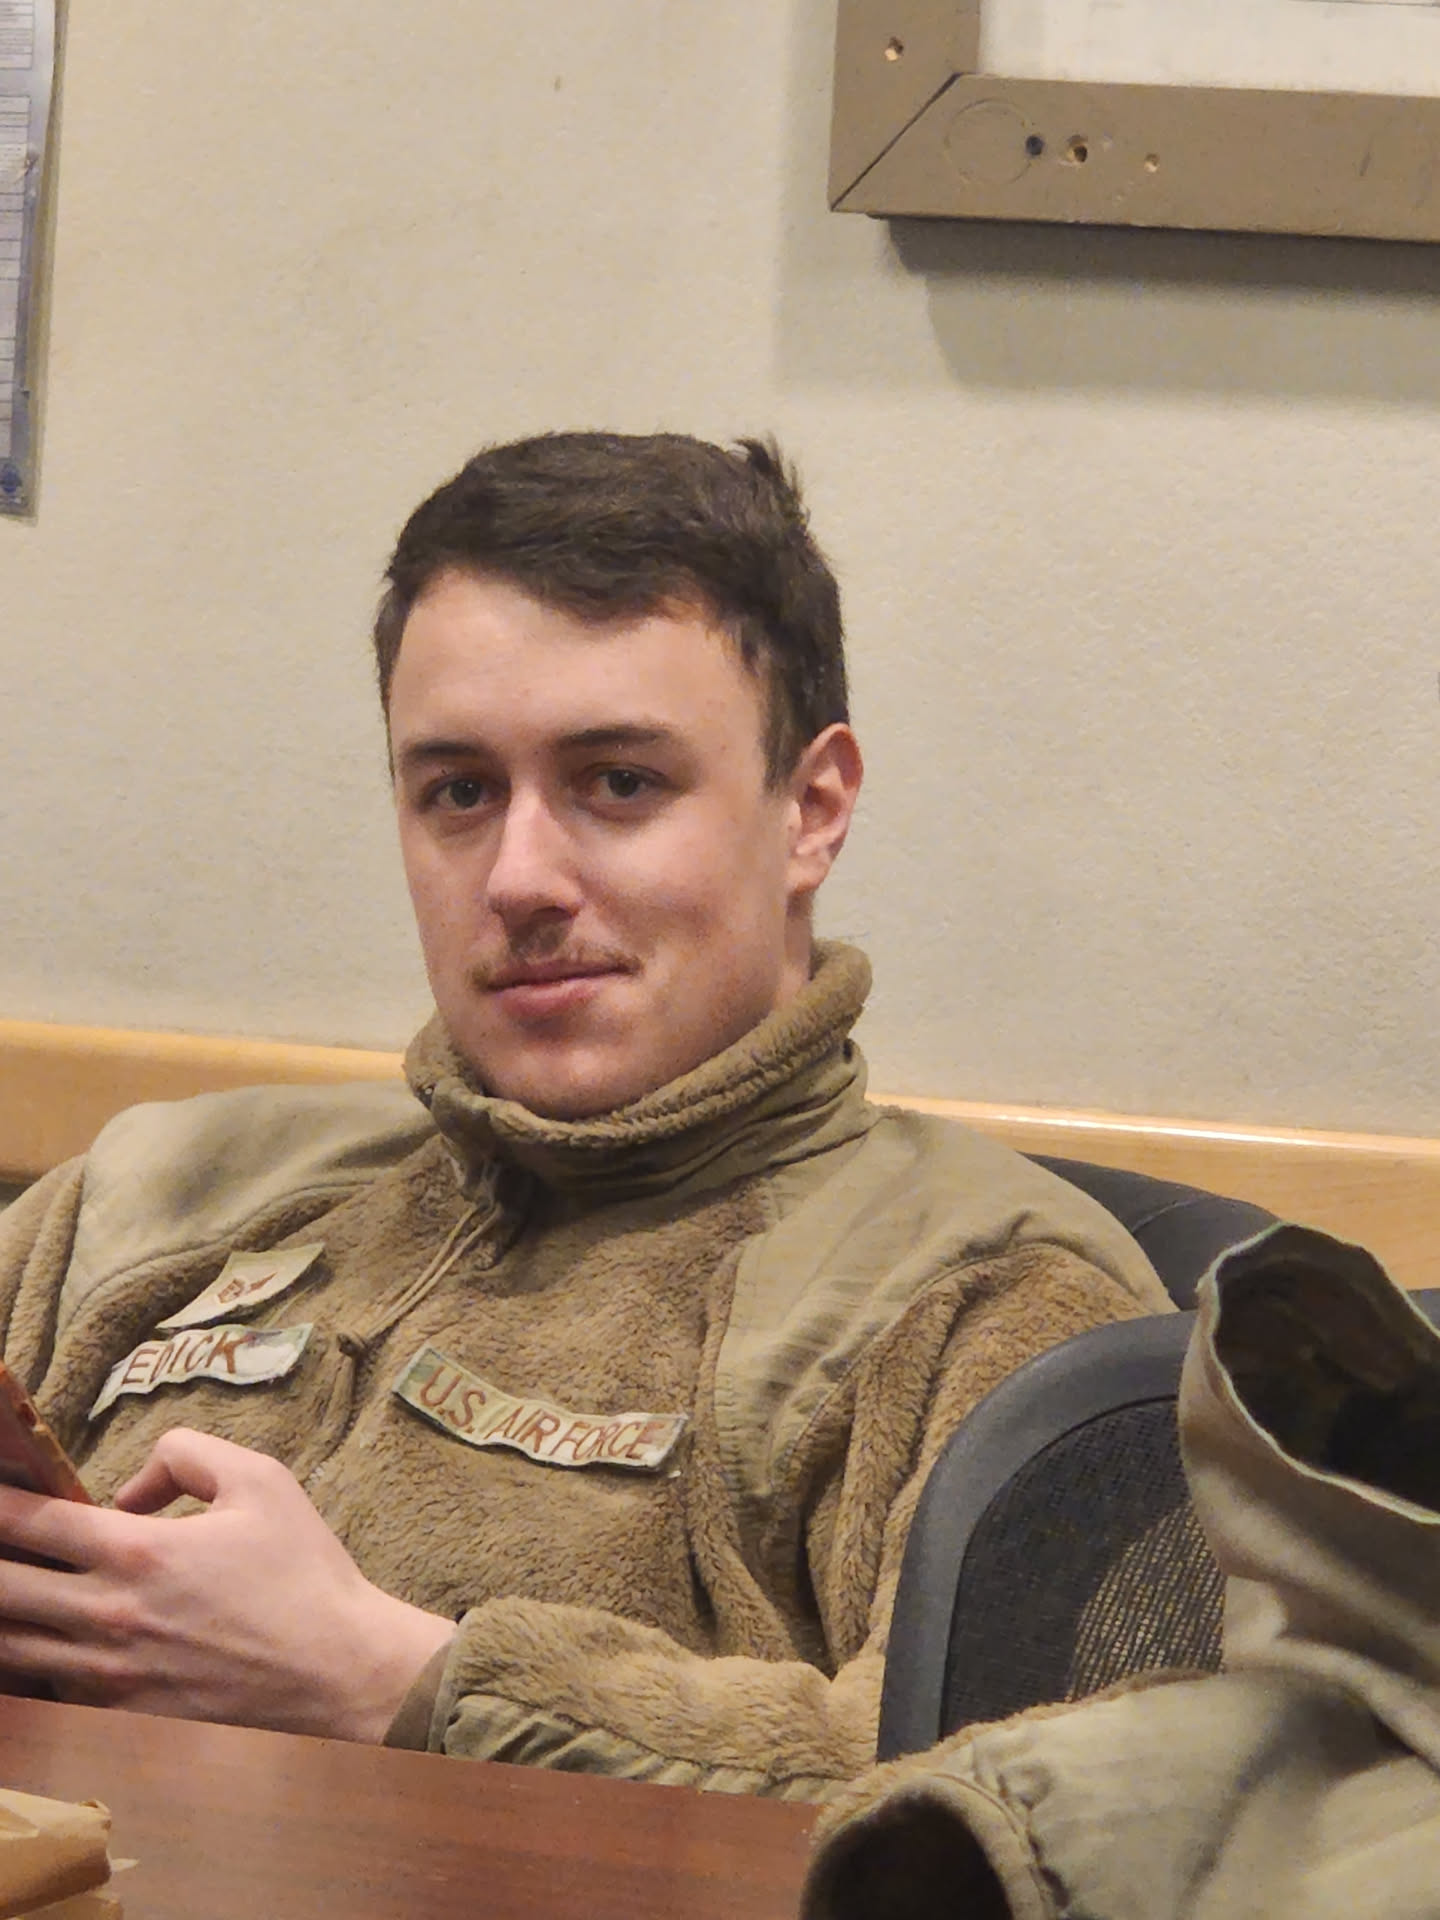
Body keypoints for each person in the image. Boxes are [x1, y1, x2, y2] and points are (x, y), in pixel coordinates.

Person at [0, 432, 1168, 1795]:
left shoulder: (994, 1298)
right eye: (459, 792)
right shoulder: (150, 1195)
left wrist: (406, 1687)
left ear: (812, 809)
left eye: (618, 783)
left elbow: (1045, 1812)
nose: (520, 878)